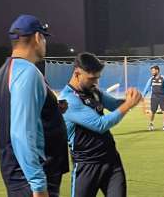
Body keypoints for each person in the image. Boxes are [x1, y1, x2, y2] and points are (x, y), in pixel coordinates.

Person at [0, 14, 69, 197]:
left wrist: (53, 110)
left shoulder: (6, 71)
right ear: (37, 37)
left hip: (18, 174)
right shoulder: (27, 72)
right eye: (44, 38)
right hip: (31, 178)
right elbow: (21, 132)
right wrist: (38, 184)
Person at [59, 52, 142, 197]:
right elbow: (100, 125)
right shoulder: (68, 100)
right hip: (87, 165)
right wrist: (128, 105)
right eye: (92, 78)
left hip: (111, 161)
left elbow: (115, 105)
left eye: (97, 78)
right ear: (77, 73)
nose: (96, 82)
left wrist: (130, 99)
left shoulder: (94, 91)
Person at [142, 65, 164, 131]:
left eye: (153, 70)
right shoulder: (151, 79)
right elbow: (147, 88)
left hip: (162, 97)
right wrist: (143, 96)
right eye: (151, 71)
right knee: (153, 111)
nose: (152, 72)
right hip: (154, 97)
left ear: (157, 70)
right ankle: (151, 124)